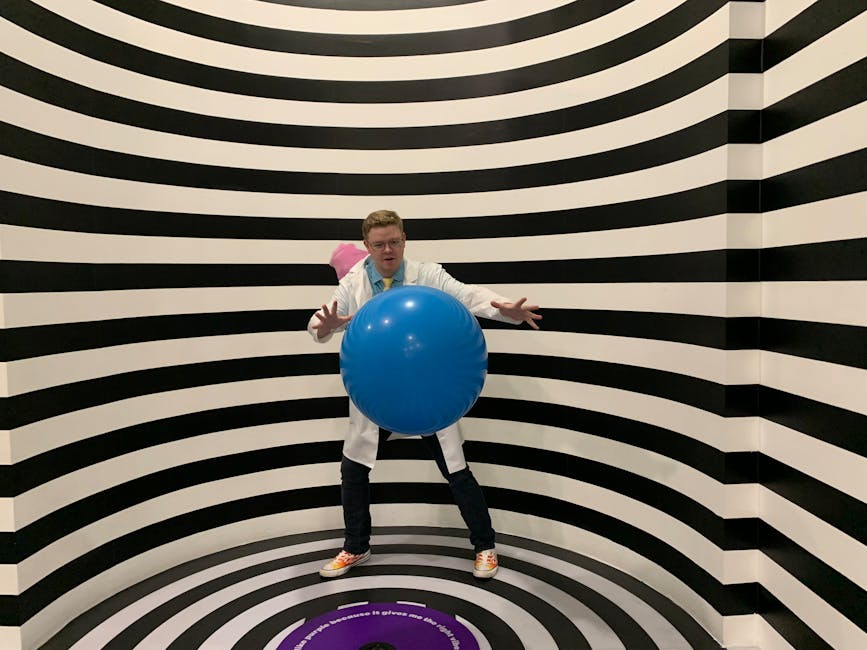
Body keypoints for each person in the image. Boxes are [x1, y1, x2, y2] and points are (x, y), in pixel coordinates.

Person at [308, 210, 541, 580]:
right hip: (377, 392)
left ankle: (485, 546)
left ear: (404, 239)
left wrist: (506, 309)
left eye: (395, 242)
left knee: (456, 470)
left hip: (427, 388)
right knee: (353, 470)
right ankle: (356, 546)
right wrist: (327, 325)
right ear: (367, 246)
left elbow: (468, 296)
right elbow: (318, 322)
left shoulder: (428, 274)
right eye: (380, 244)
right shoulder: (354, 281)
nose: (389, 250)